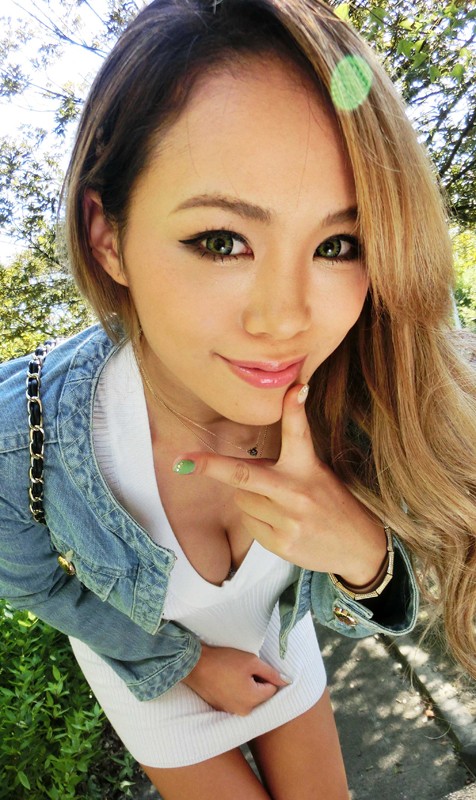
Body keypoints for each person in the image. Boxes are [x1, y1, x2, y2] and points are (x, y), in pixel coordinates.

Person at [0, 0, 474, 797]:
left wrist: (364, 557)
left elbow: (371, 599)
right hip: (147, 671)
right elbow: (36, 582)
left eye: (338, 245)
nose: (285, 320)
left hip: (280, 645)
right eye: (221, 241)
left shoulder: (366, 388)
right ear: (107, 236)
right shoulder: (24, 435)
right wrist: (184, 661)